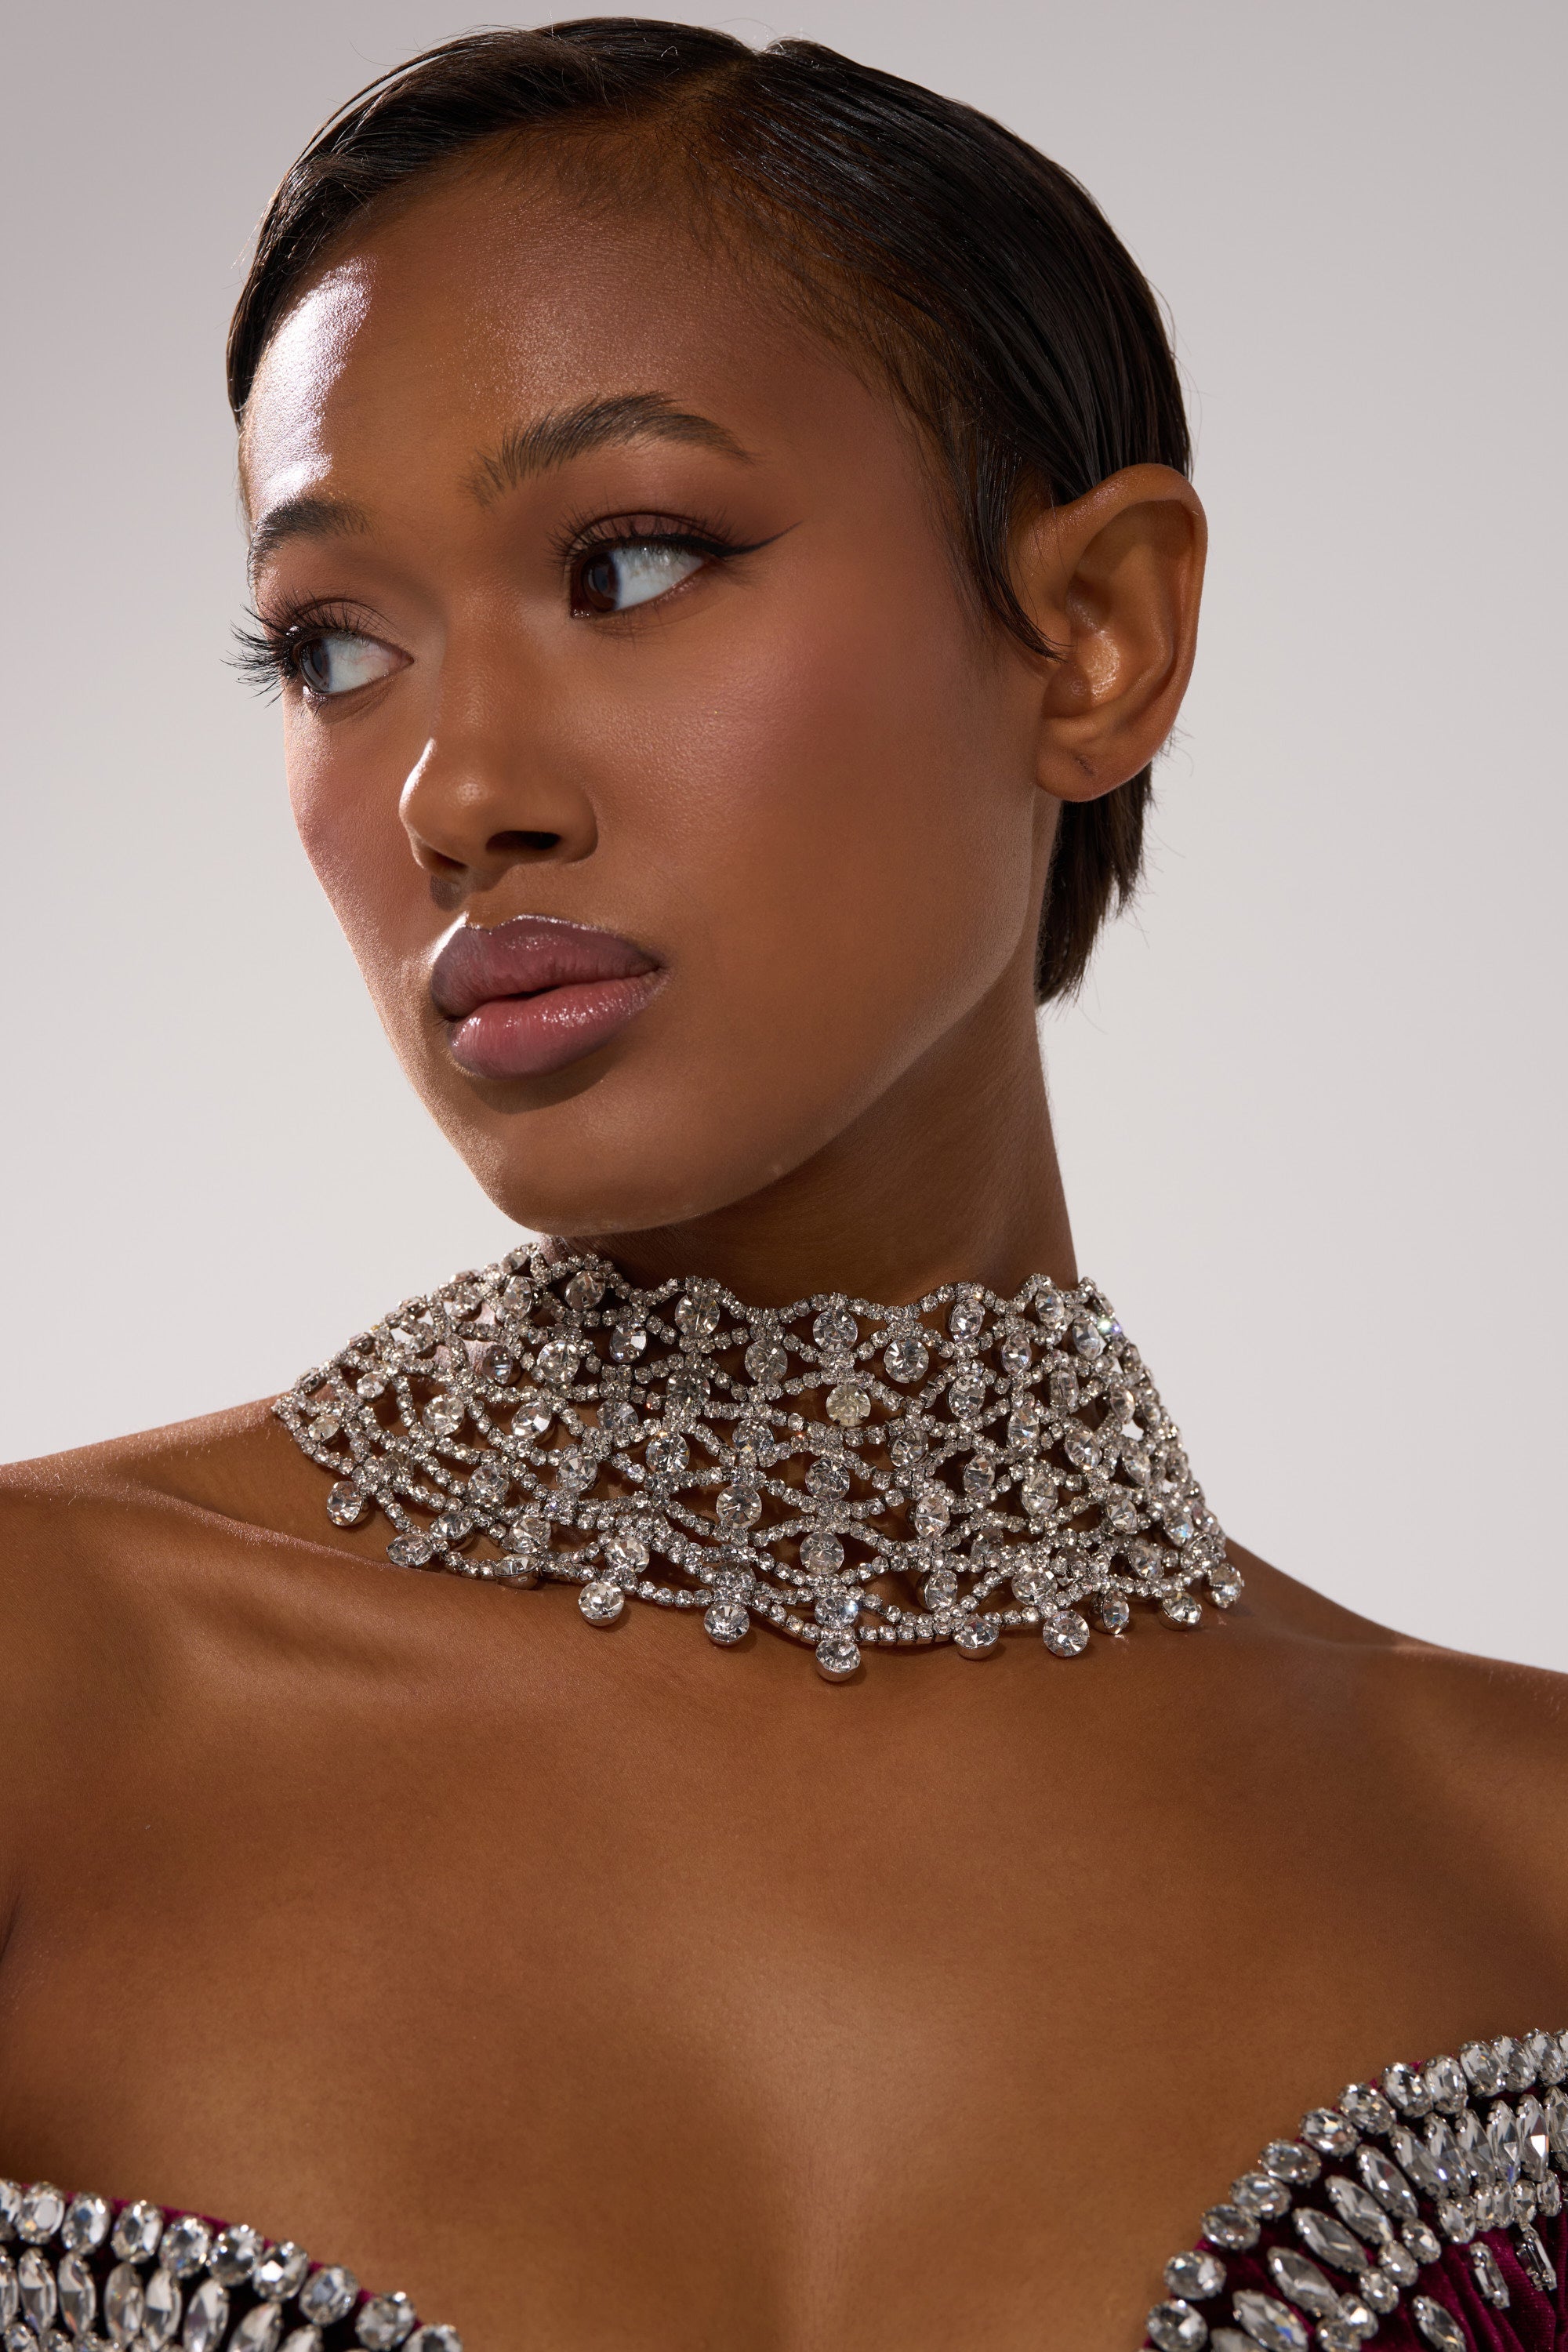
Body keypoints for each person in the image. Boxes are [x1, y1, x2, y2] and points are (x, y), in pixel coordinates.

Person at [1, 22, 1563, 2352]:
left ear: (1099, 633)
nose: (455, 791)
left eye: (629, 563)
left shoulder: (1522, 1861)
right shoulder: (50, 1691)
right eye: (334, 644)